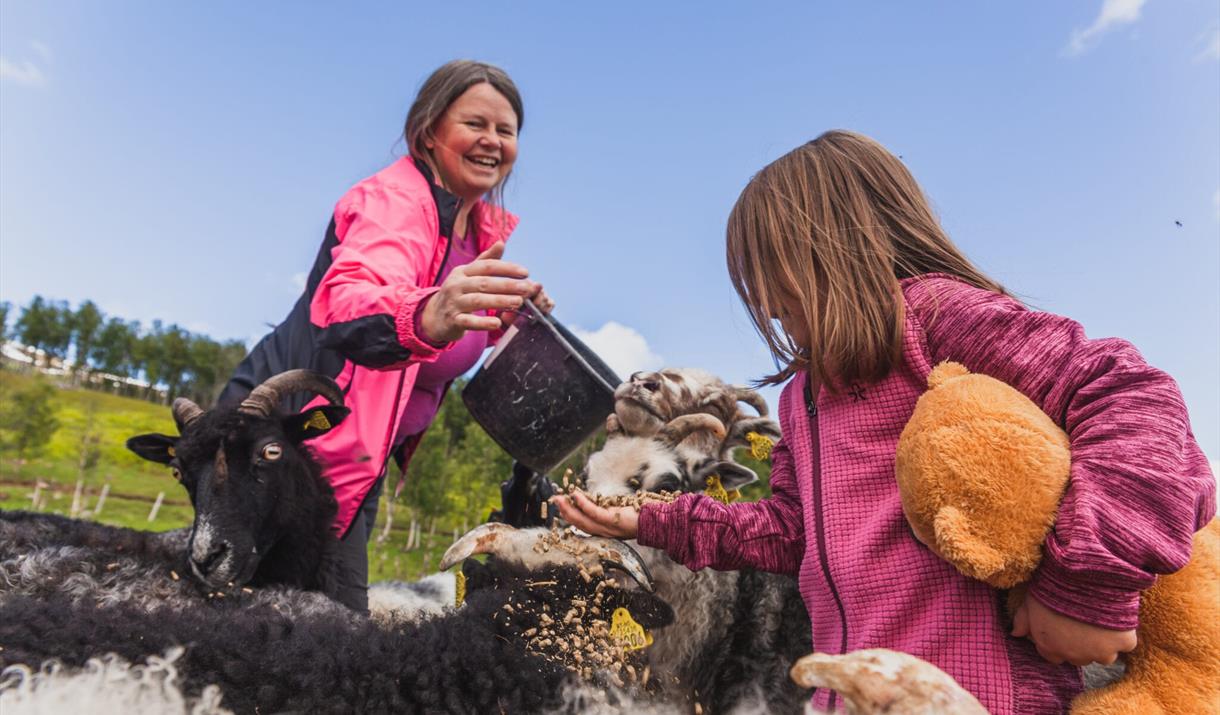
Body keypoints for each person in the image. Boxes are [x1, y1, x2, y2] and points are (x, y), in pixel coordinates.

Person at [553, 130, 1216, 713]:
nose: (761, 299)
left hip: (977, 695)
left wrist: (1083, 586)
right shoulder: (802, 400)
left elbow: (1133, 397)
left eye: (765, 269)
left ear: (825, 247)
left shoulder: (940, 318)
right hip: (860, 692)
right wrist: (650, 518)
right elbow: (791, 532)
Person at [220, 60, 552, 613]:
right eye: (475, 124)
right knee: (318, 628)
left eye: (506, 130)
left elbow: (445, 344)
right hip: (285, 445)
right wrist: (428, 313)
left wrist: (504, 322)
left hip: (358, 455)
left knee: (299, 628)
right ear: (428, 130)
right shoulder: (396, 203)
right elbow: (350, 302)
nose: (492, 141)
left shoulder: (475, 231)